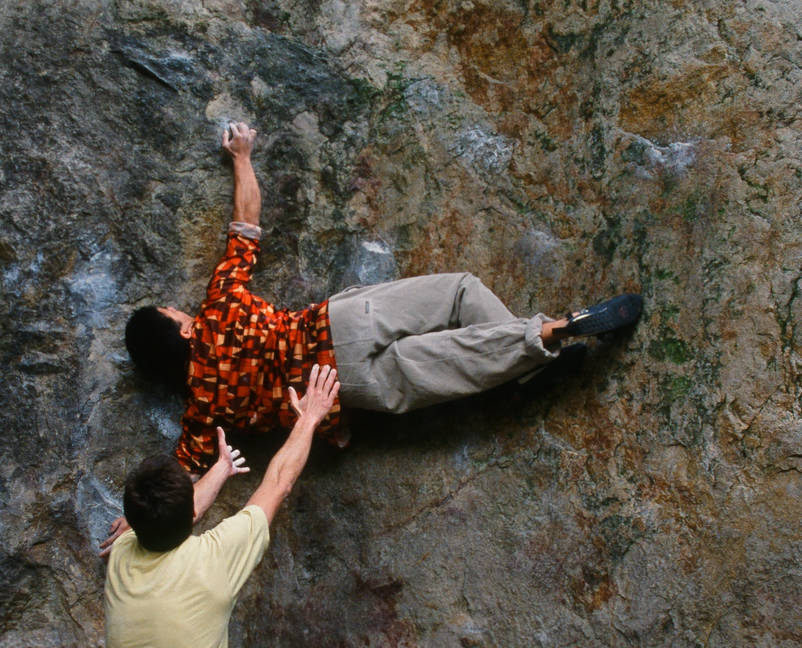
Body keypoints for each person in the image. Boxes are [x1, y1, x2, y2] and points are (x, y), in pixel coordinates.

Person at [124, 122, 643, 476]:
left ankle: (531, 359)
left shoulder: (202, 413)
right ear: (183, 328)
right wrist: (242, 155)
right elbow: (246, 225)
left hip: (345, 392)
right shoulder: (218, 307)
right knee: (460, 293)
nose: (183, 310)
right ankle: (539, 338)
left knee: (455, 362)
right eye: (175, 312)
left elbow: (181, 474)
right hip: (342, 325)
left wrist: (134, 523)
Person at [101, 365, 341, 648]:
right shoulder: (213, 563)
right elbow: (277, 485)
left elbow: (178, 512)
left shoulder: (122, 553)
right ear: (192, 512)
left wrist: (223, 466)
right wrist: (309, 418)